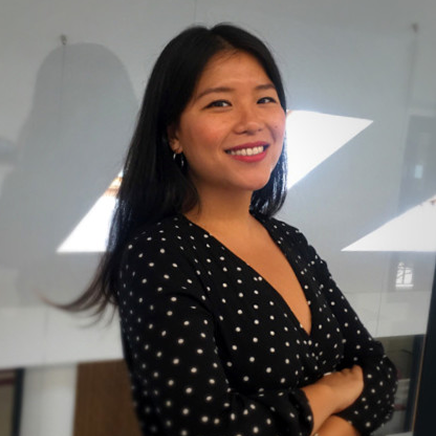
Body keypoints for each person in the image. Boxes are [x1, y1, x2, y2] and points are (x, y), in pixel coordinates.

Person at [72, 24, 397, 436]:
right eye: (220, 103)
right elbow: (209, 429)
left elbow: (379, 373)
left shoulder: (290, 241)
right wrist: (331, 391)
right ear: (174, 134)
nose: (252, 121)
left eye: (265, 99)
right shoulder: (158, 253)